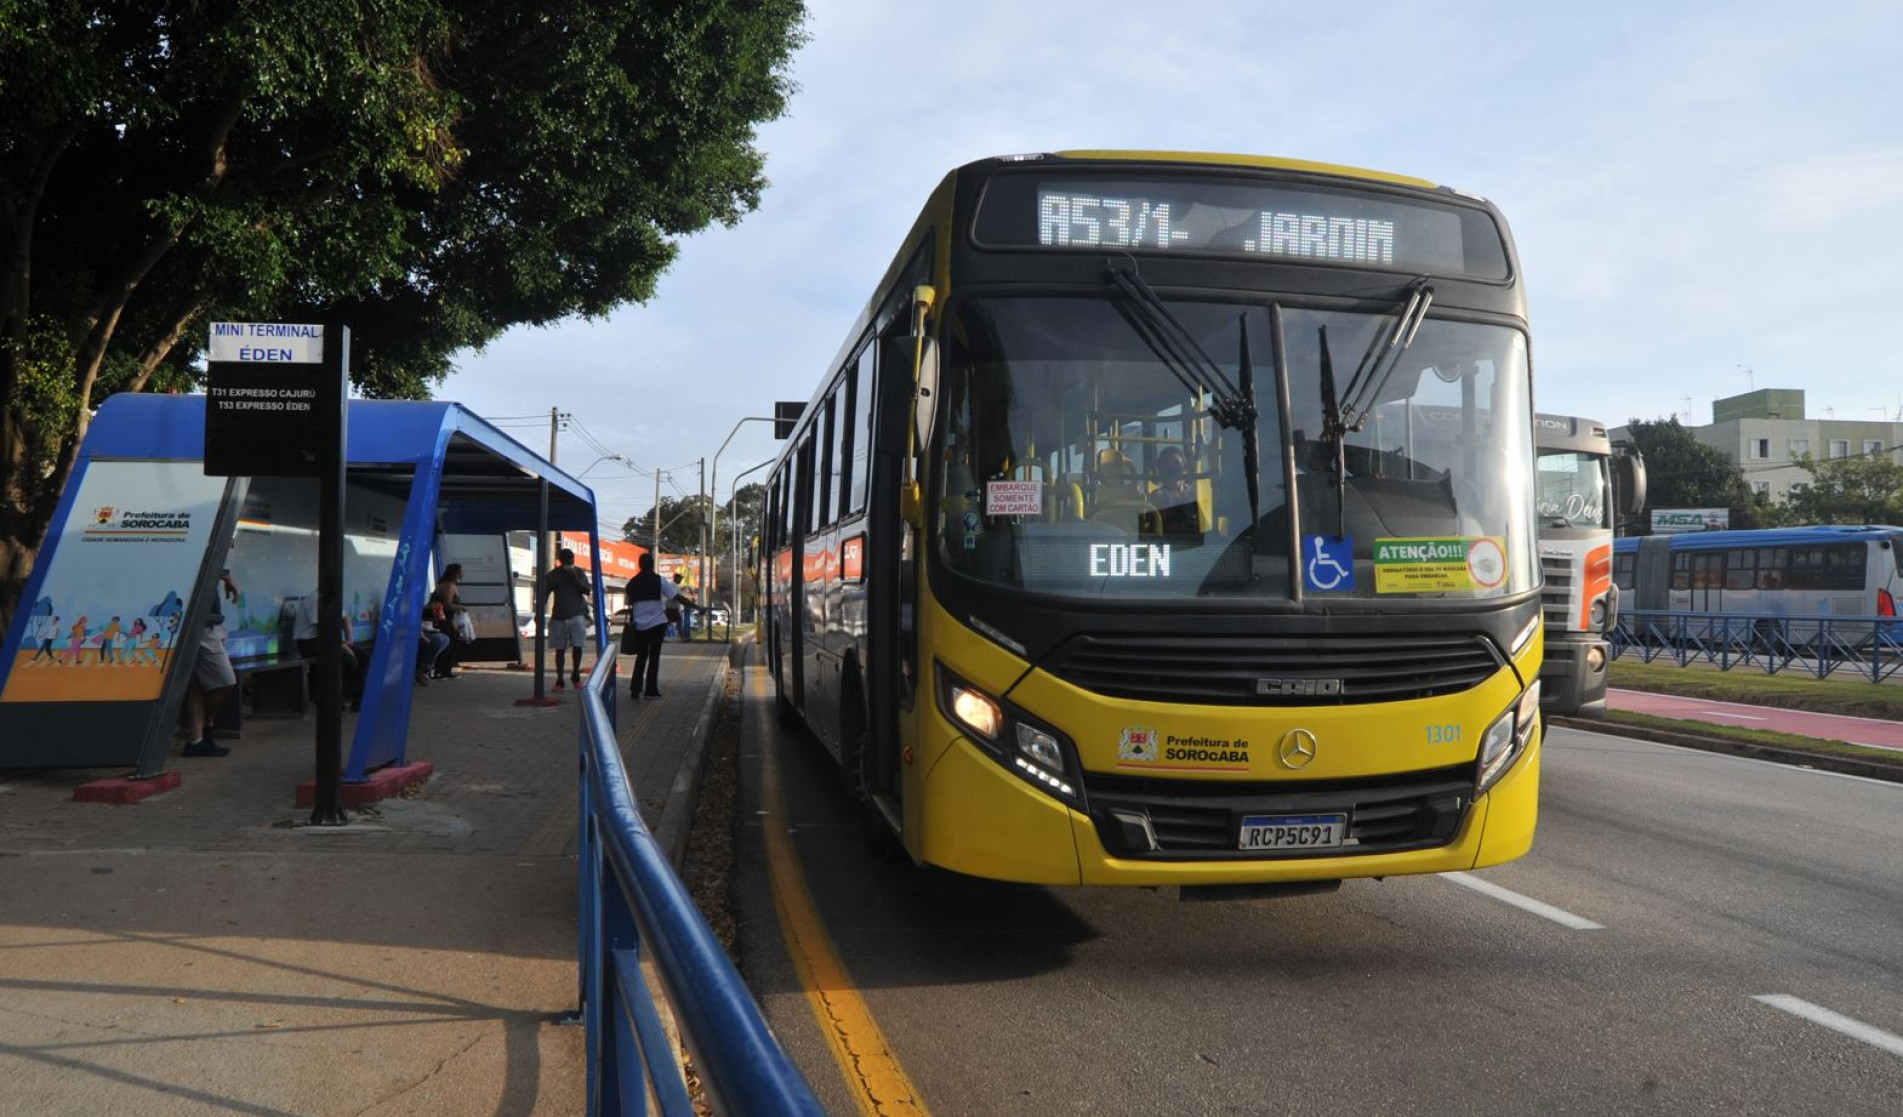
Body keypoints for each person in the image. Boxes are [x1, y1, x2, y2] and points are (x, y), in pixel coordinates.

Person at [180, 569, 240, 757]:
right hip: (204, 627)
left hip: (208, 623)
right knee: (226, 682)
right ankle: (206, 724)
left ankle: (197, 739)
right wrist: (227, 576)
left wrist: (225, 576)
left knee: (198, 686)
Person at [623, 551, 694, 699]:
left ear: (639, 565)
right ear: (652, 564)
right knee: (654, 657)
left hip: (640, 626)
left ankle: (635, 689)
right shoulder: (659, 580)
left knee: (641, 657)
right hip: (657, 624)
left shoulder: (632, 582)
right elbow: (676, 597)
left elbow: (629, 602)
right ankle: (651, 690)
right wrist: (696, 606)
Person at [294, 589, 365, 710]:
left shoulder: (332, 599)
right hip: (309, 642)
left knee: (364, 657)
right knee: (347, 660)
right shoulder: (315, 599)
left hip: (326, 640)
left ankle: (358, 701)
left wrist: (349, 640)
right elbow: (323, 629)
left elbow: (345, 618)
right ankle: (331, 698)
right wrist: (342, 646)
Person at [540, 547, 593, 690]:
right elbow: (544, 594)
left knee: (578, 647)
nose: (569, 564)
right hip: (559, 616)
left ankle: (576, 674)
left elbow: (587, 590)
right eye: (567, 562)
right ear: (560, 561)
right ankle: (559, 680)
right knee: (560, 649)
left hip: (577, 614)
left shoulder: (579, 572)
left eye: (572, 561)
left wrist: (574, 577)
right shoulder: (552, 575)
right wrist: (539, 613)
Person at [429, 563, 467, 678]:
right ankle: (441, 671)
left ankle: (444, 670)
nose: (463, 574)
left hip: (445, 619)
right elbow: (447, 605)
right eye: (461, 571)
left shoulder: (445, 584)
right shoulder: (449, 585)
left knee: (451, 643)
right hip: (444, 619)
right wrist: (461, 607)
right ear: (456, 573)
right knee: (448, 644)